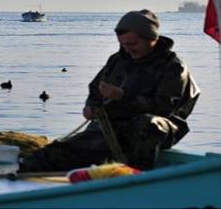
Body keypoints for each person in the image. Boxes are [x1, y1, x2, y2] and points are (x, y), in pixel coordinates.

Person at [20, 9, 200, 172]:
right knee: (50, 154)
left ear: (151, 38)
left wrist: (123, 97)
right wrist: (91, 107)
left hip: (157, 129)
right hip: (112, 127)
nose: (128, 49)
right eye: (123, 44)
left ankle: (136, 179)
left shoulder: (173, 67)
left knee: (147, 123)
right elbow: (96, 89)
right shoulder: (118, 60)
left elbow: (164, 107)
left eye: (133, 43)